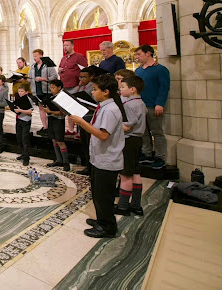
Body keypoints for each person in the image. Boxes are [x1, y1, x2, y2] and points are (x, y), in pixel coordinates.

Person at [70, 74, 126, 239]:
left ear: (106, 91)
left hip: (107, 160)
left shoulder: (110, 110)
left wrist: (82, 123)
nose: (92, 93)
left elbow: (103, 135)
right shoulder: (103, 106)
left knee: (104, 196)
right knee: (97, 194)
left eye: (95, 90)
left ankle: (108, 227)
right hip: (99, 158)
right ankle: (101, 220)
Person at [135, 44, 170, 169]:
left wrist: (160, 103)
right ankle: (147, 153)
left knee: (157, 132)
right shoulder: (138, 71)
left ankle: (160, 157)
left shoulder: (160, 69)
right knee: (143, 131)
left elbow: (164, 87)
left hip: (153, 105)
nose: (137, 57)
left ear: (148, 53)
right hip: (140, 106)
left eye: (139, 54)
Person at [115, 75, 146, 217]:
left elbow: (127, 127)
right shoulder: (140, 102)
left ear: (132, 89)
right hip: (137, 140)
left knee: (126, 174)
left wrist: (113, 123)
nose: (120, 90)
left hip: (129, 140)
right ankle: (136, 204)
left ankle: (123, 206)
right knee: (135, 172)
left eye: (122, 88)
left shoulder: (131, 105)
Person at [59, 40, 88, 134]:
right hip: (65, 86)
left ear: (72, 46)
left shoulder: (79, 57)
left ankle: (80, 131)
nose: (65, 47)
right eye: (64, 45)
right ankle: (71, 129)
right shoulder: (63, 58)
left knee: (76, 109)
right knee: (68, 109)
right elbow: (60, 70)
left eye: (67, 45)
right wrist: (59, 71)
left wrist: (80, 84)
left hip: (75, 86)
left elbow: (85, 71)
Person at [28, 49, 58, 135]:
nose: (34, 58)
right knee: (41, 108)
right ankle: (44, 126)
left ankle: (51, 127)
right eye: (33, 56)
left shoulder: (48, 65)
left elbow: (54, 76)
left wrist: (43, 79)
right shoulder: (33, 66)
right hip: (36, 91)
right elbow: (30, 78)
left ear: (41, 55)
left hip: (46, 90)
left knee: (48, 108)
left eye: (36, 56)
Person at [42, 79, 70, 171]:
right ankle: (58, 159)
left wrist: (50, 111)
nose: (51, 89)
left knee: (60, 141)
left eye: (53, 88)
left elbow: (63, 112)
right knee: (54, 140)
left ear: (59, 88)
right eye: (51, 87)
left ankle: (66, 162)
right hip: (51, 119)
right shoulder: (51, 97)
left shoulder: (63, 97)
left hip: (59, 121)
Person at [14, 83, 35, 167]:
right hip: (19, 120)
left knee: (25, 139)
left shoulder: (28, 99)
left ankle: (26, 157)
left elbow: (30, 112)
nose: (20, 93)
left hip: (26, 121)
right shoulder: (19, 99)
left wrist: (20, 111)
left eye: (21, 91)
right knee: (19, 138)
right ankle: (23, 154)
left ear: (26, 92)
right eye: (19, 91)